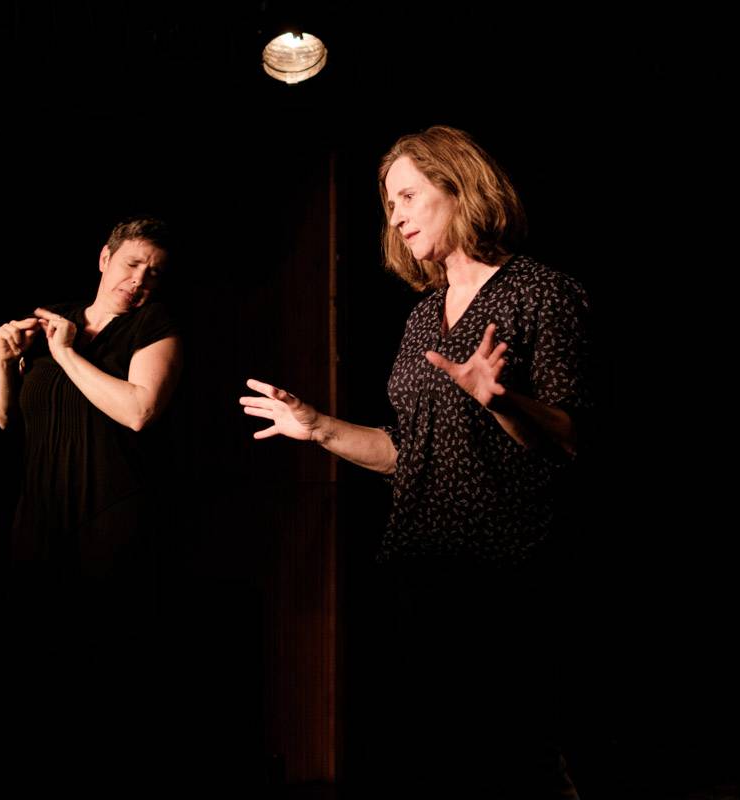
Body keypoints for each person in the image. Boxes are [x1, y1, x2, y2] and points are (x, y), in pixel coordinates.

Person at [241, 126, 590, 798]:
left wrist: (502, 401)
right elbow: (409, 452)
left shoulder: (540, 292)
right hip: (422, 568)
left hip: (507, 575)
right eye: (388, 204)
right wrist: (318, 428)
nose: (396, 217)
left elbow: (572, 436)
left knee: (516, 762)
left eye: (407, 196)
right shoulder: (423, 317)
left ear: (459, 189)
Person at [0, 217, 182, 793]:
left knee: (104, 673)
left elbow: (139, 411)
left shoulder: (154, 325)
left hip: (110, 512)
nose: (140, 280)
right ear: (104, 258)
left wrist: (66, 353)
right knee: (32, 670)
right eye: (133, 264)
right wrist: (3, 361)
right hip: (39, 514)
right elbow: (5, 417)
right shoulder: (55, 318)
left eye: (154, 273)